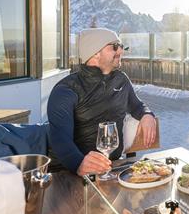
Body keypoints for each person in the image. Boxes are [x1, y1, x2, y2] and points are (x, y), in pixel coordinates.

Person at [48, 28, 157, 176]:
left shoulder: (121, 80)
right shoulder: (66, 90)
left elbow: (137, 105)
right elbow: (60, 138)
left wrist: (147, 115)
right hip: (69, 173)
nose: (121, 51)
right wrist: (78, 163)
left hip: (112, 168)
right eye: (114, 46)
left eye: (121, 46)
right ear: (95, 53)